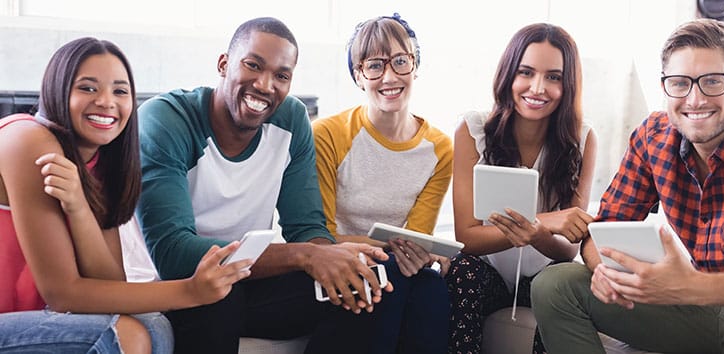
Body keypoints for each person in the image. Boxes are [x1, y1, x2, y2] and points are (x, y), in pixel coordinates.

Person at [532, 18, 724, 354]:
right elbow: (601, 231)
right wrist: (605, 271)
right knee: (555, 285)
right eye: (680, 83)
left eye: (712, 82)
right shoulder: (653, 137)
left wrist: (695, 287)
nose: (694, 100)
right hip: (684, 311)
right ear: (665, 86)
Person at [136, 17, 392, 354]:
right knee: (221, 294)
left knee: (371, 282)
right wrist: (306, 255)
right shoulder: (166, 120)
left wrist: (331, 258)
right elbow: (174, 254)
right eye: (253, 65)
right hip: (174, 289)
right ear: (224, 64)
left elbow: (306, 227)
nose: (265, 85)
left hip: (246, 281)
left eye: (281, 76)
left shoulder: (291, 119)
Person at [0, 37, 250, 353]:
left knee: (151, 324)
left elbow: (108, 280)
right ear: (57, 90)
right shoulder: (28, 141)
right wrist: (190, 291)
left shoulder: (100, 162)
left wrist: (79, 208)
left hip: (33, 321)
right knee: (127, 334)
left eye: (120, 91)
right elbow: (63, 293)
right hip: (15, 322)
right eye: (88, 88)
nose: (107, 101)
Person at [446, 23, 597, 354]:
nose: (538, 87)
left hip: (542, 272)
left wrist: (538, 232)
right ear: (508, 74)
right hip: (486, 271)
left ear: (568, 84)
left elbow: (568, 249)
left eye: (554, 77)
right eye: (526, 72)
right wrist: (541, 220)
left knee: (557, 287)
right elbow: (466, 238)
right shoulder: (473, 130)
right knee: (461, 271)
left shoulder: (582, 139)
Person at [312, 13, 452, 353]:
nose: (389, 76)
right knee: (389, 272)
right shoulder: (327, 135)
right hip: (332, 264)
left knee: (430, 285)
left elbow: (413, 243)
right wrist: (398, 250)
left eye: (400, 62)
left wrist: (418, 253)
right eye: (374, 65)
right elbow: (319, 236)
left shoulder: (440, 149)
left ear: (415, 66)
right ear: (359, 76)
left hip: (392, 270)